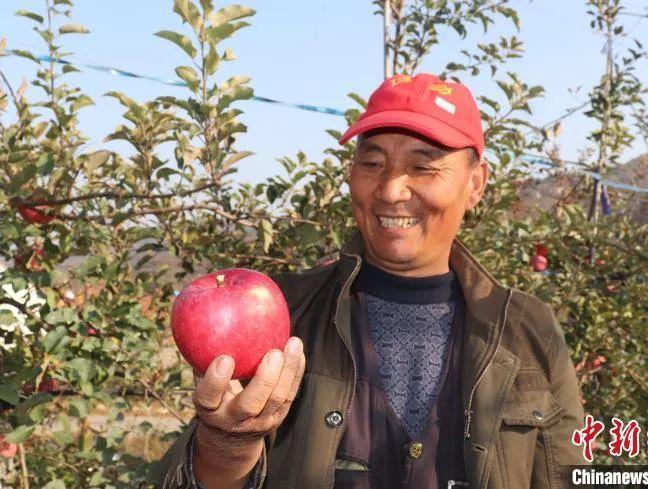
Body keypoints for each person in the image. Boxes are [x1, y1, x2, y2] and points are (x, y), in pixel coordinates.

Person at [155, 73, 584, 489]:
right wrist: (228, 446)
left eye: (423, 166)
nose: (391, 190)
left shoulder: (529, 329)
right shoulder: (282, 314)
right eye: (372, 163)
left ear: (475, 183)